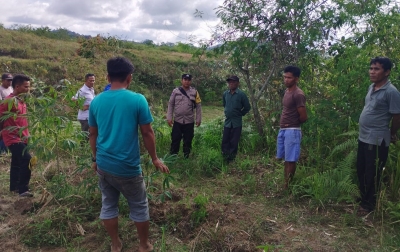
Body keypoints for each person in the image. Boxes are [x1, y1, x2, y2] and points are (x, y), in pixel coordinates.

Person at [89, 57, 169, 252]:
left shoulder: (96, 101)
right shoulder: (137, 99)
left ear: (108, 77)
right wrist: (155, 158)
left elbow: (92, 134)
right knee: (139, 206)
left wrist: (94, 159)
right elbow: (147, 132)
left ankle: (115, 244)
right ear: (129, 78)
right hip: (128, 168)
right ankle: (144, 245)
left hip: (104, 165)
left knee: (108, 204)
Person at [357, 57, 400, 215]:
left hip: (377, 139)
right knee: (360, 169)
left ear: (387, 72)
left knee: (372, 172)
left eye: (376, 69)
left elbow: (397, 116)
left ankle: (369, 205)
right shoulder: (371, 87)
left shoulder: (391, 92)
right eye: (371, 68)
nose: (372, 72)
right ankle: (363, 198)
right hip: (363, 136)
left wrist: (392, 133)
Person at [0, 74, 33, 197]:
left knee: (17, 162)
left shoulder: (21, 100)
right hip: (12, 137)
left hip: (23, 136)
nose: (28, 89)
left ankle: (14, 186)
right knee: (27, 159)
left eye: (28, 86)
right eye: (26, 87)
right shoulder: (8, 101)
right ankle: (23, 189)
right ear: (17, 86)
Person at [276, 66, 308, 189]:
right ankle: (286, 184)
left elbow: (303, 116)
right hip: (283, 129)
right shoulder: (287, 91)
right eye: (285, 77)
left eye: (289, 78)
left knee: (291, 159)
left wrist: (292, 124)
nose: (286, 80)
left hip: (292, 130)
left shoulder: (298, 94)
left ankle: (288, 186)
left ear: (296, 79)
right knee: (285, 158)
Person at [167, 74, 202, 158]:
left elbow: (198, 106)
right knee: (175, 139)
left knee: (188, 140)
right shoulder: (175, 91)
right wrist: (169, 117)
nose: (187, 81)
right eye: (185, 79)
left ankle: (186, 156)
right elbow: (171, 104)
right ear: (182, 80)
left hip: (189, 121)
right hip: (178, 121)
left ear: (191, 81)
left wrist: (198, 119)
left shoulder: (194, 92)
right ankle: (173, 157)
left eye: (188, 80)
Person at [221, 75, 251, 163]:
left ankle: (231, 159)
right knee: (225, 139)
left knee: (234, 141)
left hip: (236, 122)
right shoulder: (225, 94)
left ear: (237, 83)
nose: (231, 84)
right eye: (230, 82)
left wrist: (240, 114)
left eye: (233, 82)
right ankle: (225, 157)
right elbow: (224, 105)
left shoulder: (241, 94)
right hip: (227, 121)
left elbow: (247, 107)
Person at [0, 73, 14, 153]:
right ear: (3, 80)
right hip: (3, 114)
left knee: (10, 131)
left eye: (11, 80)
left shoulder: (11, 88)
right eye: (8, 80)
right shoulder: (0, 89)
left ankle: (7, 149)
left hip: (10, 114)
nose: (10, 82)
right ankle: (2, 151)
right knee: (2, 131)